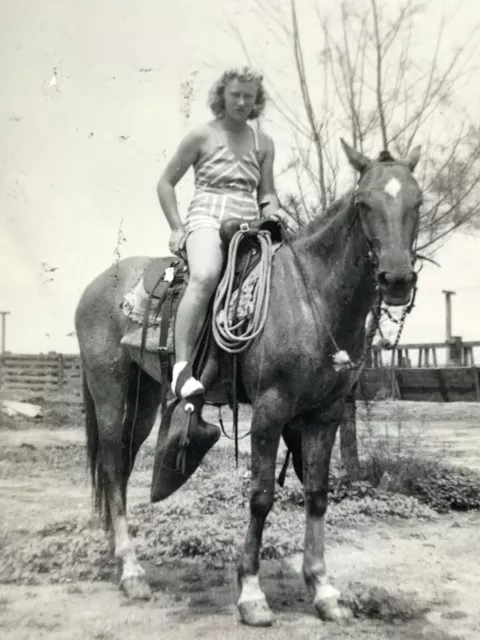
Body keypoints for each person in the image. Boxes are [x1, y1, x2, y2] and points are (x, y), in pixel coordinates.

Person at [157, 66, 281, 399]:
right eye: (235, 95)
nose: (241, 102)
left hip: (248, 224)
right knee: (206, 274)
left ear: (257, 101)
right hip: (208, 218)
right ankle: (181, 369)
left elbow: (266, 192)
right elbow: (166, 183)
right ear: (222, 96)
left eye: (248, 97)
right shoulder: (202, 136)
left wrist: (272, 211)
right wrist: (176, 226)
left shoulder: (263, 143)